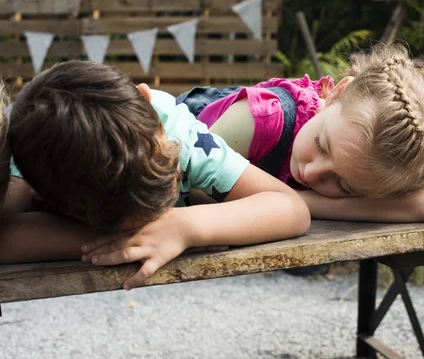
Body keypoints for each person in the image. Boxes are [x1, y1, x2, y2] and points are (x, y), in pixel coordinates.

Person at [3, 61, 311, 289]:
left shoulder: (176, 137)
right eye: (141, 221)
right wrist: (129, 241)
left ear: (147, 101)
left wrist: (187, 226)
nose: (166, 207)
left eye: (172, 173)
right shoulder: (24, 165)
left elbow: (293, 210)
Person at [176, 44, 424, 223]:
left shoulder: (360, 153)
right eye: (321, 145)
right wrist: (283, 206)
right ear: (337, 93)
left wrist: (293, 204)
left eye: (342, 185)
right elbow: (193, 191)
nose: (311, 173)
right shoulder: (263, 120)